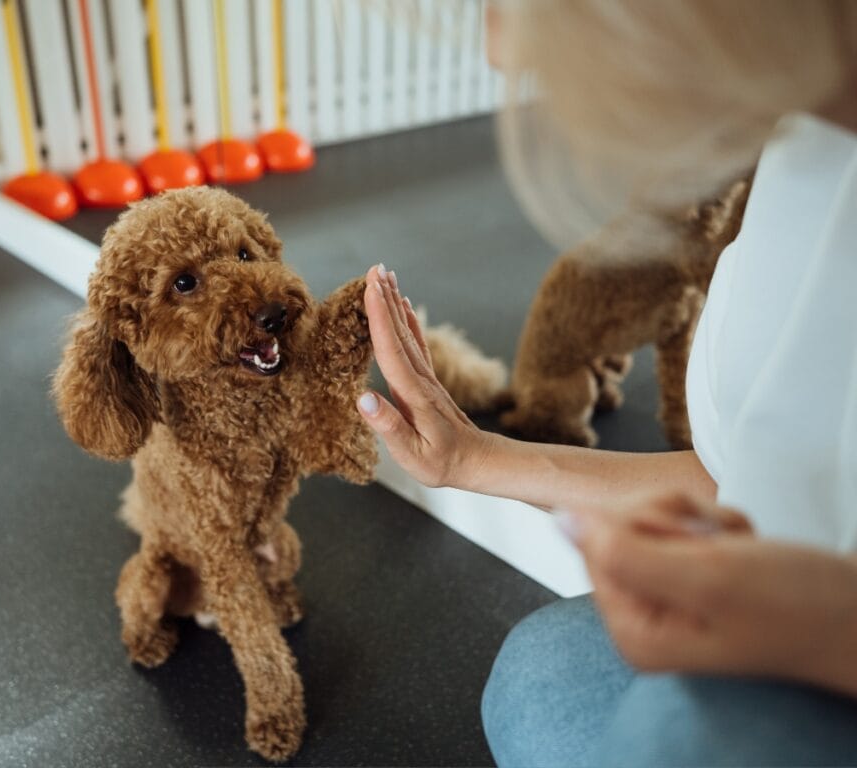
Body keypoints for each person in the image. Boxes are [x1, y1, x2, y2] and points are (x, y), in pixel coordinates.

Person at [354, 2, 857, 765]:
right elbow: (751, 480)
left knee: (680, 734)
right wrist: (474, 458)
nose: (499, 49)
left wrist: (819, 628)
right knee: (541, 671)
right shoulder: (797, 161)